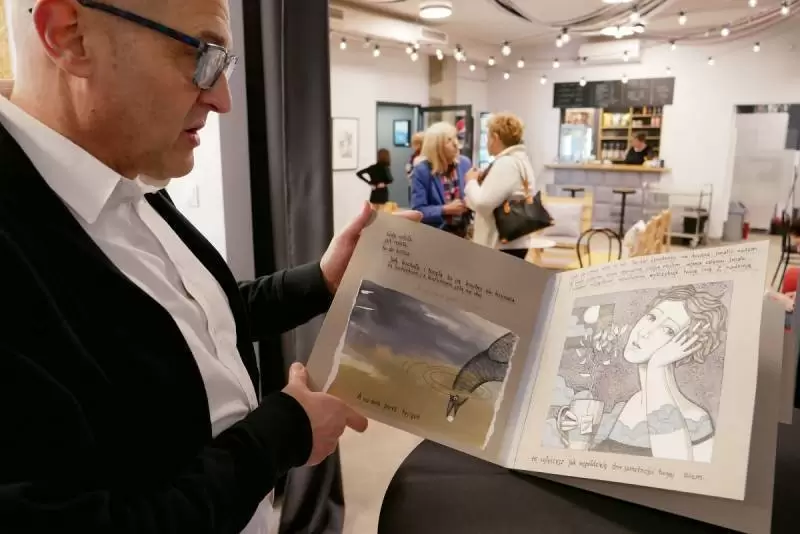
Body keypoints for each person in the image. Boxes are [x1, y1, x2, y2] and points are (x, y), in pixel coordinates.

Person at [0, 1, 420, 533]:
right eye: (202, 56)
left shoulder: (125, 172)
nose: (223, 100)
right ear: (70, 37)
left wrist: (320, 280)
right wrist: (280, 435)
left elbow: (186, 320)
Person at [587, 286, 728, 461]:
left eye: (668, 330)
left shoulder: (695, 419)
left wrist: (657, 366)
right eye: (652, 317)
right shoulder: (632, 403)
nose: (645, 332)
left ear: (690, 345)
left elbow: (674, 471)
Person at [463, 112, 536, 259]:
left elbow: (483, 204)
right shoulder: (520, 160)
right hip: (515, 241)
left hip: (499, 244)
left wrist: (471, 181)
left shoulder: (506, 163)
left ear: (495, 138)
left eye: (488, 137)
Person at [411, 121, 472, 236]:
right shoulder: (422, 170)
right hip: (436, 236)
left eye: (455, 138)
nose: (456, 143)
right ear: (436, 147)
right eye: (449, 140)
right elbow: (418, 211)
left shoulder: (465, 163)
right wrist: (445, 209)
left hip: (463, 233)